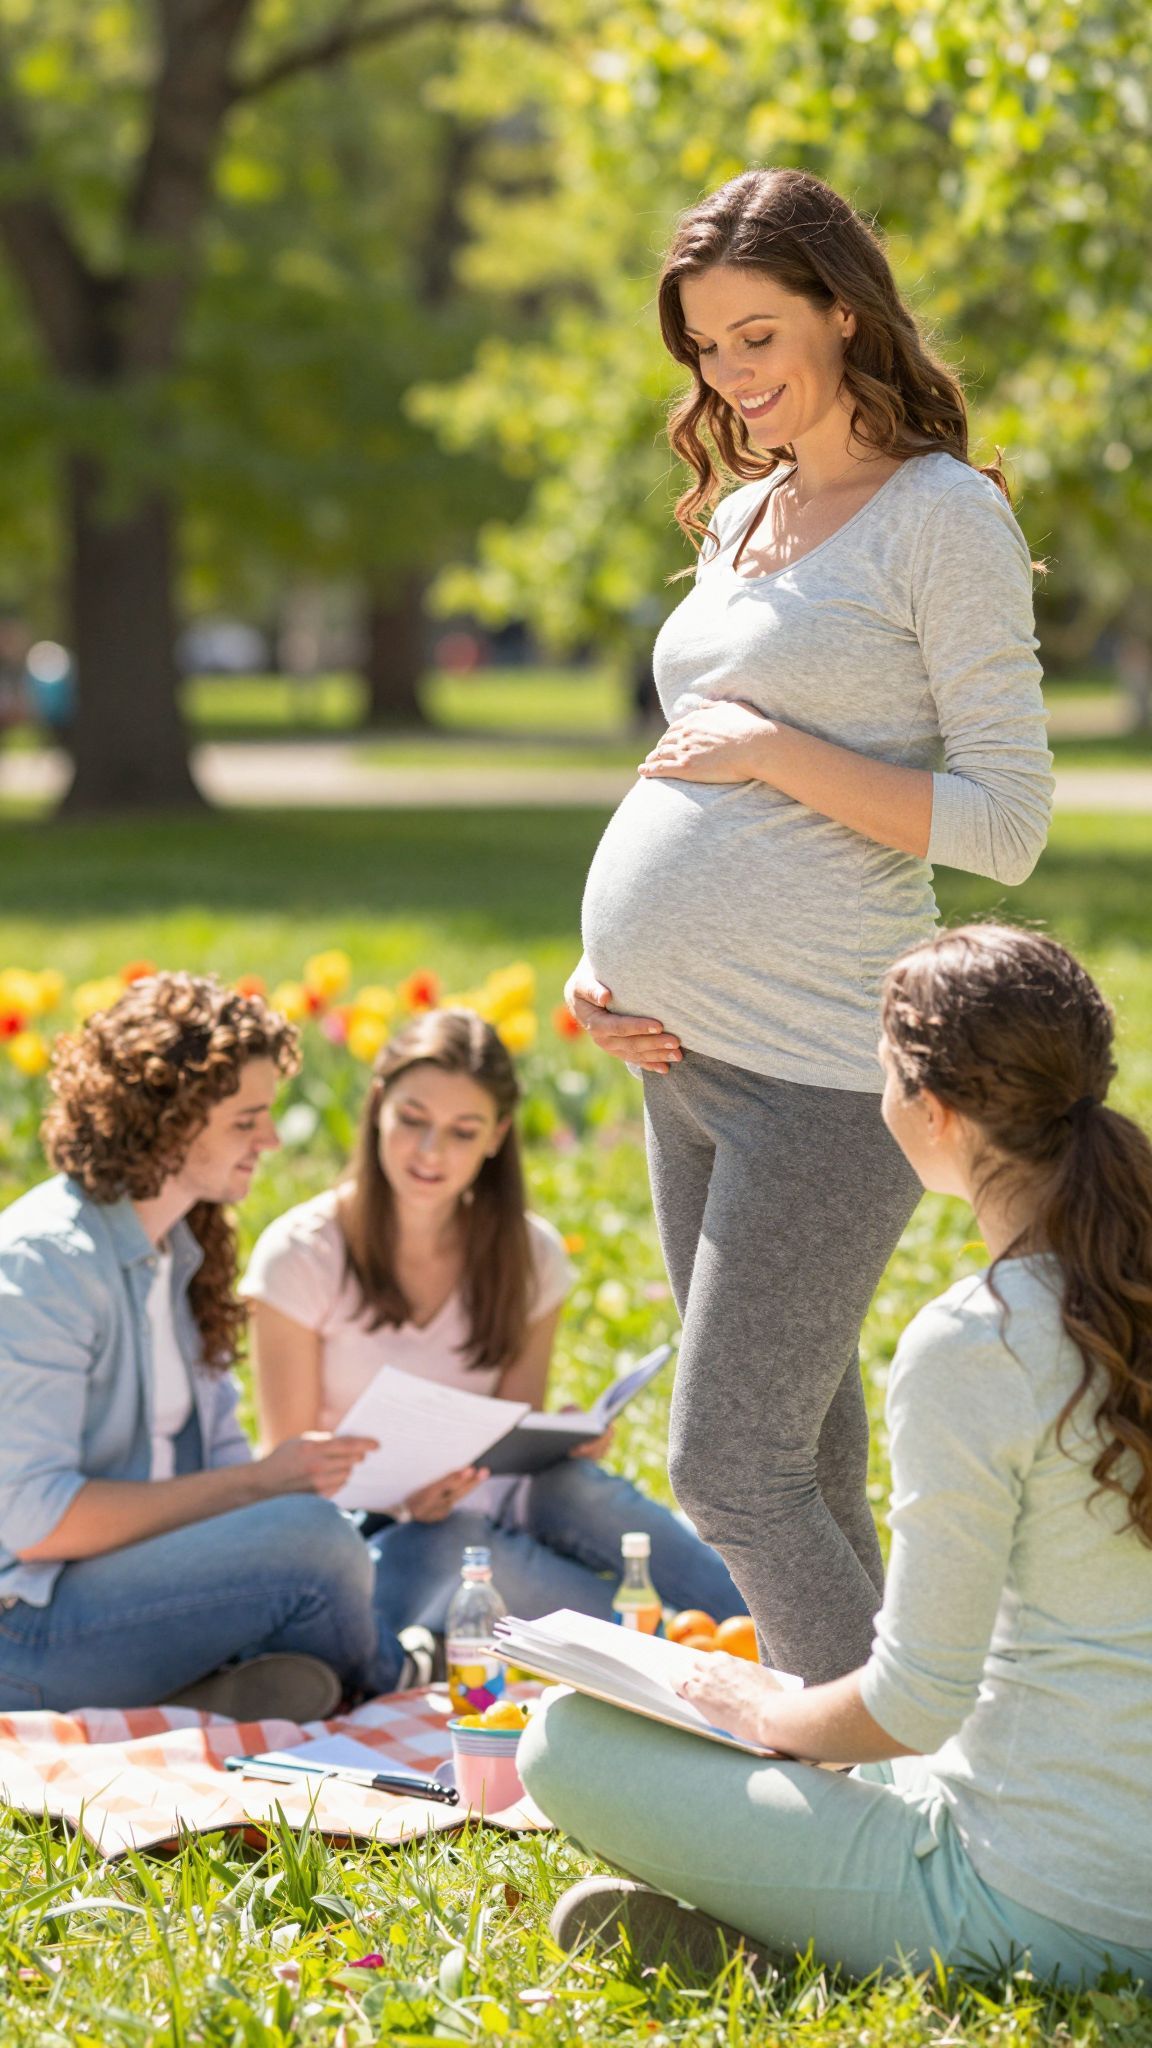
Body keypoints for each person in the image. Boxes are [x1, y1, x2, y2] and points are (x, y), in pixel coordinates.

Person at [566, 167, 1054, 1684]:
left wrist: (776, 751)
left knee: (732, 1471)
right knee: (807, 1464)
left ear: (845, 312)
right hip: (679, 1059)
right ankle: (862, 1762)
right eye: (707, 347)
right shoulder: (746, 510)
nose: (732, 376)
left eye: (758, 335)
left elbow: (1006, 822)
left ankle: (879, 1781)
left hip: (823, 1069)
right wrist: (603, 963)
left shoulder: (941, 516)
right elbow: (691, 762)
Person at [525, 925, 1152, 1986]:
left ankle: (810, 1956)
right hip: (1069, 1831)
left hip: (1040, 1903)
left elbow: (916, 1704)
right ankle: (786, 1941)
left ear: (934, 1111)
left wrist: (758, 1710)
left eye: (882, 1072)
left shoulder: (980, 1341)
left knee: (564, 1739)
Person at [243, 1007, 743, 1633]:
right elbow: (287, 1470)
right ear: (376, 1107)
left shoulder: (530, 1254)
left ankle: (790, 1637)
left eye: (462, 1131)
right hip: (375, 1534)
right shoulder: (300, 1254)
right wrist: (407, 1501)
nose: (430, 1151)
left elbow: (509, 1435)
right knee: (462, 1550)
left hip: (498, 1501)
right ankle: (681, 1652)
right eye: (412, 1120)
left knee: (577, 1488)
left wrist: (558, 1439)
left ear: (497, 1135)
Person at [0, 973, 416, 1718]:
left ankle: (204, 1689)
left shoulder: (183, 1248)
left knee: (337, 1533)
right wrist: (260, 1487)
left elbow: (222, 1468)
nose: (271, 1139)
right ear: (167, 1122)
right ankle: (400, 1678)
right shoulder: (45, 1263)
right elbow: (36, 1522)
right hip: (27, 1628)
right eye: (246, 1120)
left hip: (123, 1590)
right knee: (312, 1541)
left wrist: (304, 1482)